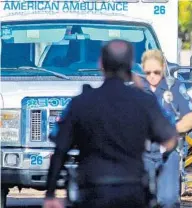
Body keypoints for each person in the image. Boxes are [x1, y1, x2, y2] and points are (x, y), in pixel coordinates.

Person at [43, 40, 179, 208]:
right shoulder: (144, 102)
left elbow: (60, 150)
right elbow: (170, 139)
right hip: (133, 192)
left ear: (101, 64)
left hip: (92, 192)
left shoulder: (81, 103)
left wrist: (50, 194)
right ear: (130, 65)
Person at [136, 49, 192, 208]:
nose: (152, 76)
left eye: (156, 72)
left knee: (168, 200)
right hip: (142, 151)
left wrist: (169, 131)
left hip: (168, 152)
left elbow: (190, 119)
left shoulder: (174, 87)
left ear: (163, 67)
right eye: (148, 72)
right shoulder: (136, 89)